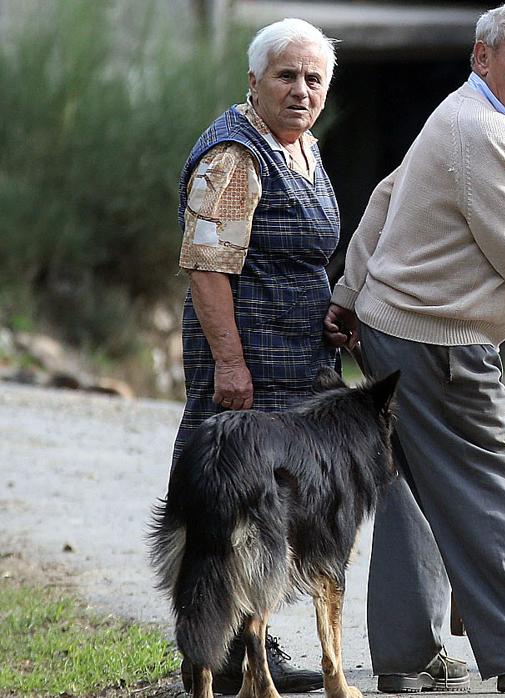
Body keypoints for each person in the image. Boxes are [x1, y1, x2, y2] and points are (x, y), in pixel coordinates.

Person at [323, 1, 505, 693]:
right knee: (491, 486)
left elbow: (385, 196)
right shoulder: (480, 129)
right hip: (437, 341)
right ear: (480, 59)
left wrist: (348, 292)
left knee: (412, 494)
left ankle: (405, 657)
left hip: (393, 329)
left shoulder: (458, 115)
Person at [169, 17, 341, 694]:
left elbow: (297, 252)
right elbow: (207, 266)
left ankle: (256, 648)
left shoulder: (301, 146)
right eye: (286, 75)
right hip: (251, 366)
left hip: (297, 361)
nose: (301, 90)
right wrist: (230, 365)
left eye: (313, 78)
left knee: (273, 512)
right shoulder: (235, 155)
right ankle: (212, 656)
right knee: (230, 510)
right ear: (255, 81)